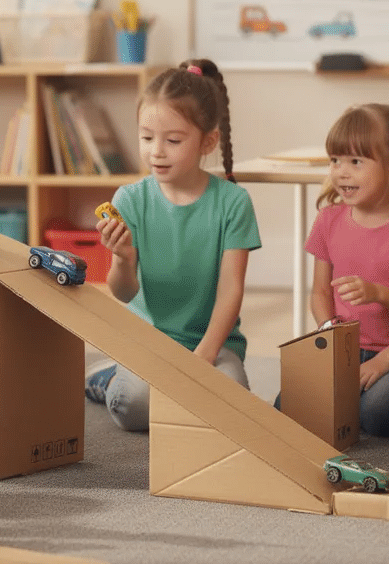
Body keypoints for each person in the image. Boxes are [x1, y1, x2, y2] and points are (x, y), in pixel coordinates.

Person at [86, 59, 261, 432]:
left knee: (234, 410)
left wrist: (206, 355)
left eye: (173, 140)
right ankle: (104, 379)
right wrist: (123, 258)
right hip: (148, 344)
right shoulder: (130, 200)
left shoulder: (233, 202)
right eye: (147, 138)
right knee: (135, 407)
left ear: (207, 142)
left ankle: (158, 385)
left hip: (212, 342)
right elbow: (123, 292)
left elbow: (231, 289)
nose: (157, 152)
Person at [283, 104, 389, 436]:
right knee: (287, 404)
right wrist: (329, 333)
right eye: (335, 160)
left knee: (375, 414)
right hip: (343, 348)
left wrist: (379, 294)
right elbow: (320, 292)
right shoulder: (328, 220)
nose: (341, 172)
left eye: (356, 162)